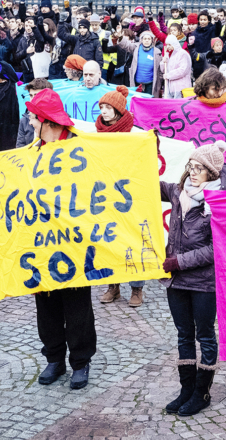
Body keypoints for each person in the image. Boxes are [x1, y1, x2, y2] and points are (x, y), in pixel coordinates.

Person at [22, 89, 96, 388]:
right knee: (46, 306)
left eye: (32, 117)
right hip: (42, 243)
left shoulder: (81, 148)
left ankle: (81, 362)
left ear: (46, 121)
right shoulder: (33, 151)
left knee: (77, 307)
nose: (29, 122)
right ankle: (54, 359)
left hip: (76, 243)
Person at [161, 141, 226, 417]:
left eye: (200, 168)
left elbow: (217, 248)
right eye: (191, 166)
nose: (193, 172)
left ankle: (202, 392)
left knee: (204, 336)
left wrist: (178, 261)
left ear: (212, 174)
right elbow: (149, 183)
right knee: (183, 335)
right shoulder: (179, 192)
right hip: (176, 281)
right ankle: (186, 390)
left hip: (203, 283)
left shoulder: (219, 202)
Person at [94, 86, 145, 307]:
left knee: (132, 241)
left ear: (118, 110)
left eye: (108, 107)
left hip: (130, 196)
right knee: (108, 241)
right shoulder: (97, 134)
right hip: (105, 196)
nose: (104, 111)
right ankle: (112, 286)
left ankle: (136, 288)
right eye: (102, 107)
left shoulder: (134, 135)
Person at [116, 30, 162, 98]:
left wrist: (160, 82)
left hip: (150, 84)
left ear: (152, 40)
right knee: (137, 101)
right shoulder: (136, 48)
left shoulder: (157, 52)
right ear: (141, 40)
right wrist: (120, 36)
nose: (147, 40)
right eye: (145, 39)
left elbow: (160, 69)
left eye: (149, 39)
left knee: (148, 101)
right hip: (136, 83)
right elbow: (126, 45)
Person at [16, 78, 53, 148]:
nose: (33, 99)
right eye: (31, 95)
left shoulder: (58, 118)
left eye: (36, 95)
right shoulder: (24, 120)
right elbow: (20, 148)